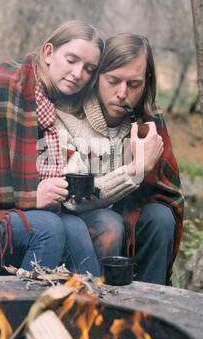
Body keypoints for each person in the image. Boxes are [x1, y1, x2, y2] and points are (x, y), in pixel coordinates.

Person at [0, 20, 105, 280]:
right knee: (48, 228)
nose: (77, 73)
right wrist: (31, 197)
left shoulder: (50, 101)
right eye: (71, 60)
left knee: (75, 228)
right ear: (49, 53)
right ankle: (18, 317)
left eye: (88, 69)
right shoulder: (4, 86)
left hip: (11, 209)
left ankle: (91, 313)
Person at [55, 32, 184, 285]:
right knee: (108, 222)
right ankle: (101, 308)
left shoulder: (148, 120)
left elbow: (165, 193)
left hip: (127, 214)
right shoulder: (68, 115)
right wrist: (137, 169)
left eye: (133, 84)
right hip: (78, 218)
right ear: (96, 77)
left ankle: (149, 307)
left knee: (161, 217)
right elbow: (72, 198)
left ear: (146, 82)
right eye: (113, 81)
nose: (122, 93)